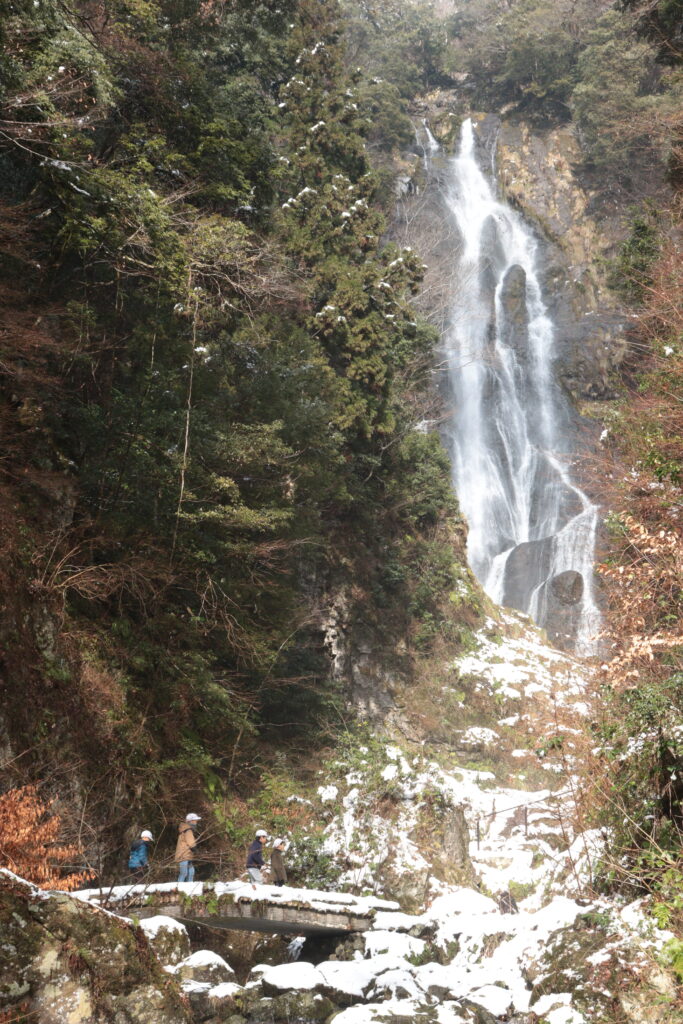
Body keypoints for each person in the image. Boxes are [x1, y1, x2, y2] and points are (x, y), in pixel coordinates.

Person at [175, 813, 201, 883]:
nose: (196, 822)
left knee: (191, 872)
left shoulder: (186, 830)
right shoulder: (188, 831)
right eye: (195, 820)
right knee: (184, 873)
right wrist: (196, 850)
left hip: (187, 855)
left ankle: (189, 886)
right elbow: (191, 843)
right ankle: (179, 887)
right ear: (191, 821)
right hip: (183, 855)